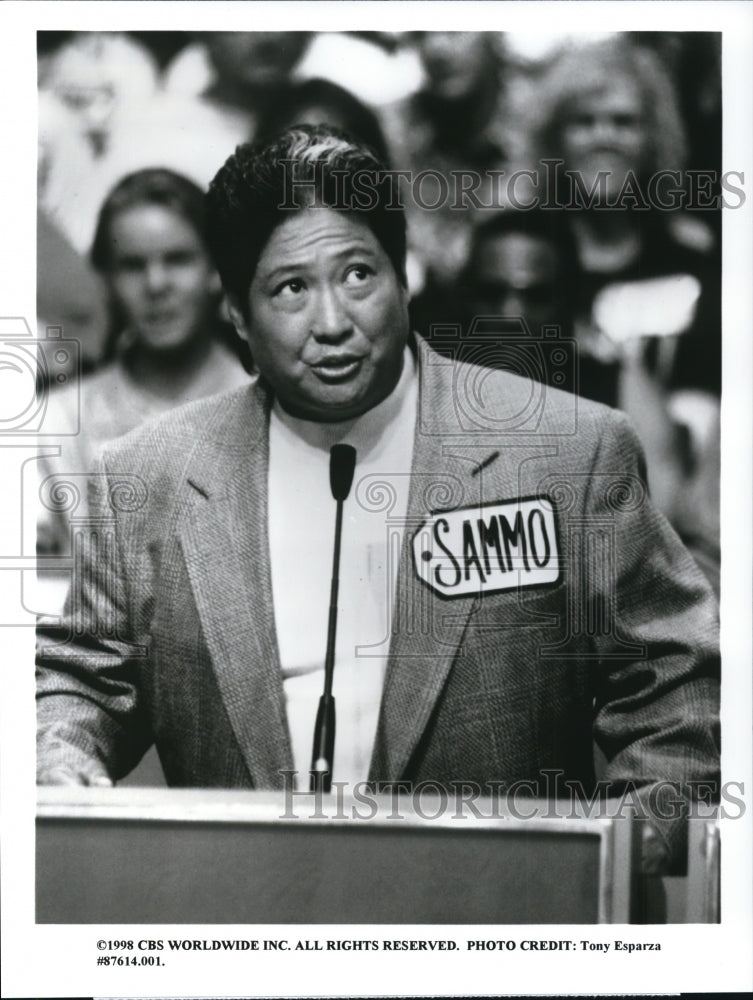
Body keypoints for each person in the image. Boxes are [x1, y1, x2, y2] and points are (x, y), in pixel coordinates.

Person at [36, 127, 719, 874]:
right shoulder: (149, 477)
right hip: (244, 922)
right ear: (235, 311)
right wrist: (59, 755)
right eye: (291, 288)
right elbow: (85, 678)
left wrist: (633, 843)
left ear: (403, 277)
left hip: (499, 927)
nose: (332, 322)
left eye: (357, 275)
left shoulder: (566, 452)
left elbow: (673, 679)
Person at [37, 168, 251, 582]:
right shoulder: (60, 423)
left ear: (216, 269)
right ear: (106, 279)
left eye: (178, 259)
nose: (156, 284)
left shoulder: (269, 410)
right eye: (133, 266)